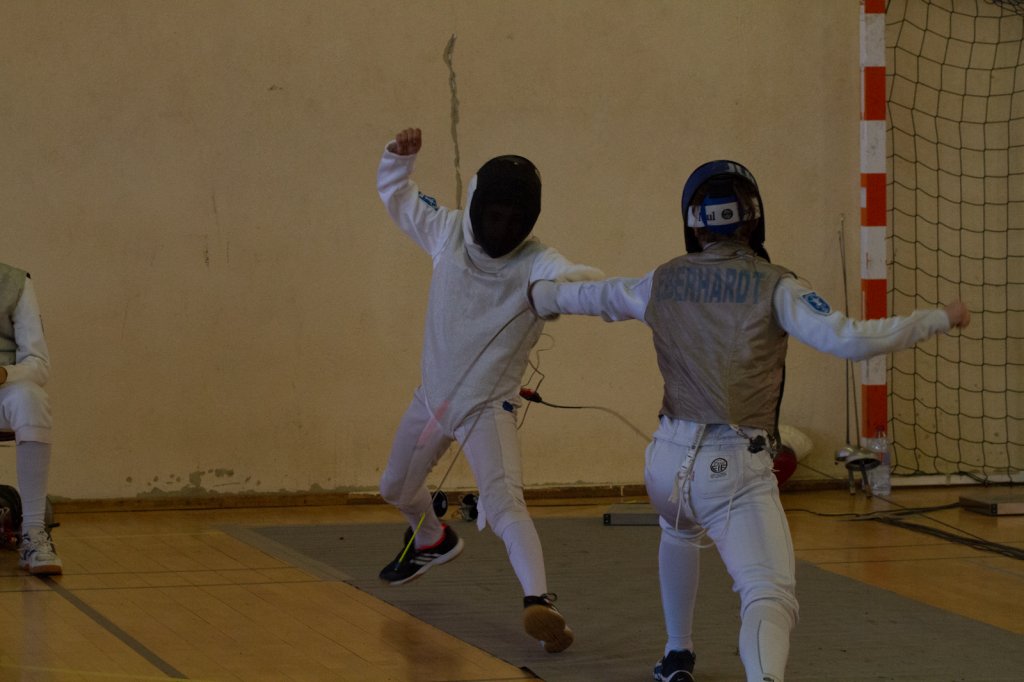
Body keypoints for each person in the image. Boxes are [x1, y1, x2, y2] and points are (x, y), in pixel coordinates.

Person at [529, 159, 971, 681]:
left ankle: (676, 655)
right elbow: (849, 339)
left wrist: (535, 293)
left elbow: (585, 295)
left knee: (678, 531)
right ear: (753, 220)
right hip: (732, 466)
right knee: (768, 593)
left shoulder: (662, 279)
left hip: (665, 464)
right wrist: (938, 318)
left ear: (694, 224)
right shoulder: (775, 285)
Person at [375, 127, 604, 652]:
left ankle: (539, 602)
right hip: (431, 401)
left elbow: (576, 279)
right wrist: (397, 160)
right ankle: (432, 538)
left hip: (486, 411)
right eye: (494, 216)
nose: (501, 229)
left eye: (514, 221)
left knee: (503, 505)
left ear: (530, 222)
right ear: (477, 207)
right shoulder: (448, 232)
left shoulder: (538, 262)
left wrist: (580, 290)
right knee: (395, 489)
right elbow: (399, 198)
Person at [0, 262, 61, 575]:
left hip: (3, 390)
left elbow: (38, 364)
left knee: (31, 399)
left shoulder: (13, 283)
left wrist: (4, 374)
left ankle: (34, 536)